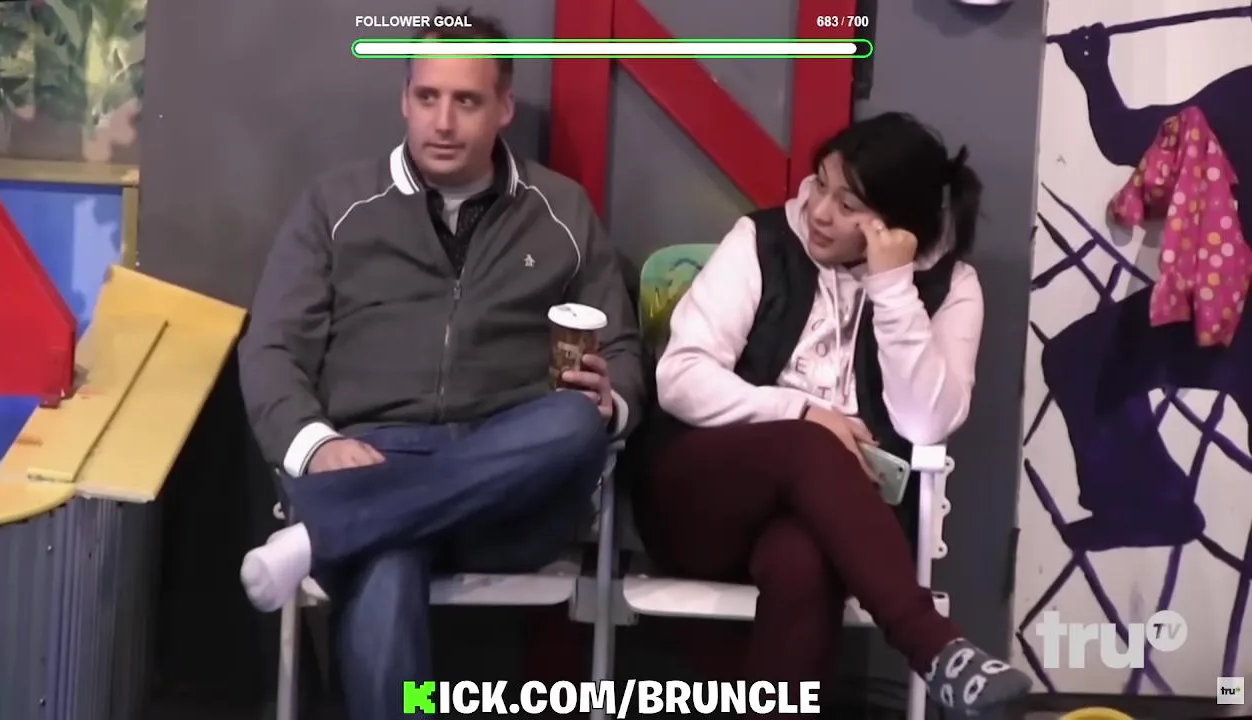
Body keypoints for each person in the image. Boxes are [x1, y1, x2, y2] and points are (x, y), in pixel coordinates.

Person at [235, 9, 642, 718]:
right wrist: (316, 445)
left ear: (504, 107)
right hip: (372, 455)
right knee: (385, 556)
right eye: (428, 97)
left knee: (575, 422)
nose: (443, 122)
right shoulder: (336, 206)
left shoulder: (561, 212)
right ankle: (360, 523)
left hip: (513, 486)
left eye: (467, 101)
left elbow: (626, 351)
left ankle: (331, 530)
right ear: (405, 99)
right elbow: (270, 348)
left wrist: (614, 401)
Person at [629, 113, 1032, 716]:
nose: (819, 211)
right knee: (810, 442)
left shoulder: (950, 286)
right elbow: (680, 377)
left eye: (849, 206)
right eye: (821, 184)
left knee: (803, 564)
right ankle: (932, 646)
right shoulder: (763, 240)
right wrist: (802, 412)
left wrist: (893, 288)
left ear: (896, 224)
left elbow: (927, 424)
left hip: (833, 525)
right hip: (699, 502)